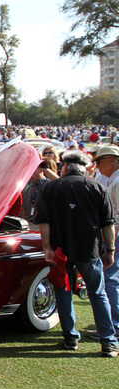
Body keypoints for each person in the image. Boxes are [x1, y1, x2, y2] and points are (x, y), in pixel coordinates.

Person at [37, 150, 118, 357]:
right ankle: (108, 341)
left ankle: (70, 337)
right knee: (98, 294)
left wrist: (47, 248)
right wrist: (111, 250)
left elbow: (44, 221)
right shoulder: (97, 187)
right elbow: (108, 225)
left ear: (64, 167)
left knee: (64, 293)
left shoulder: (50, 188)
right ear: (84, 168)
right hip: (89, 251)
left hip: (60, 252)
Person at [93, 145, 119, 341]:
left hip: (116, 233)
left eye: (100, 161)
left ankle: (114, 325)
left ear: (112, 161)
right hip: (113, 232)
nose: (97, 165)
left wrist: (110, 237)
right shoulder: (112, 180)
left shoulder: (117, 181)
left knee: (110, 278)